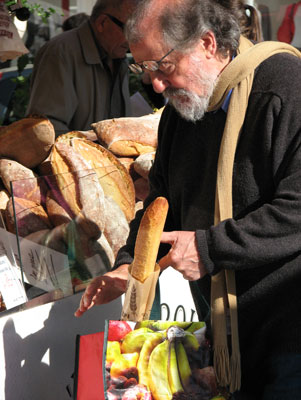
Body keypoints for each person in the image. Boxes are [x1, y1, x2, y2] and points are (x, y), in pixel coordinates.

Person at [75, 0, 301, 398]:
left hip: (289, 334)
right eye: (143, 69)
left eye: (163, 65)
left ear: (208, 44)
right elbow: (161, 204)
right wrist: (130, 266)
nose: (155, 85)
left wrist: (208, 247)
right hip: (224, 334)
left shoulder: (286, 88)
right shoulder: (180, 116)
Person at [26, 0, 136, 136]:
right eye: (130, 30)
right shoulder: (61, 52)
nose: (134, 39)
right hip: (74, 156)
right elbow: (44, 128)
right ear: (102, 23)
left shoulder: (117, 57)